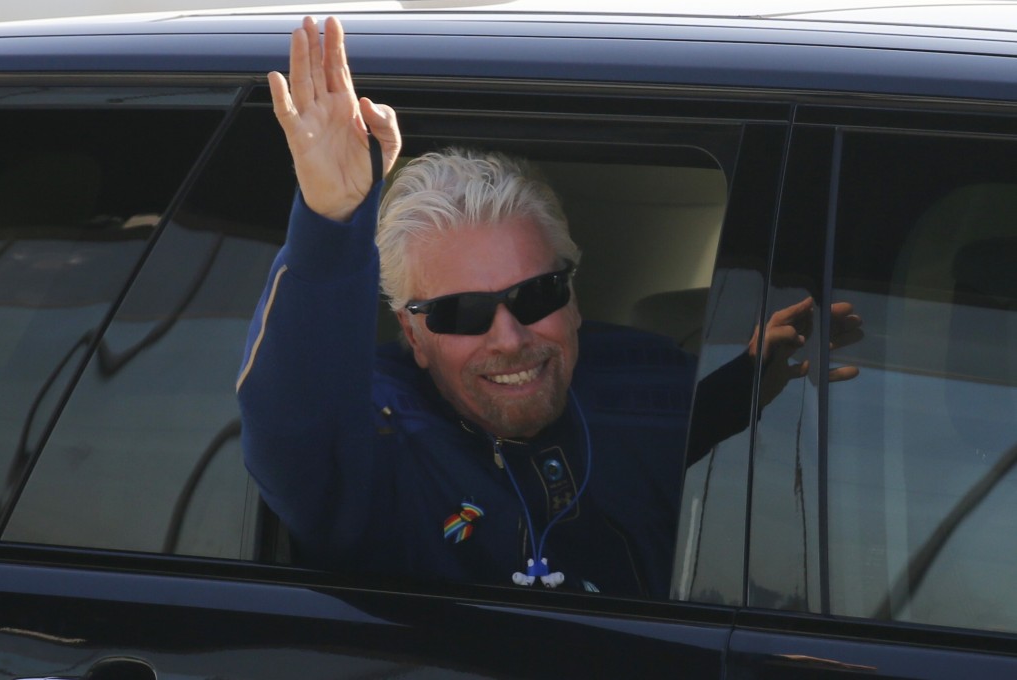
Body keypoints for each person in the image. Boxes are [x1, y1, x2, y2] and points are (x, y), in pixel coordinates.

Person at [237, 16, 860, 597]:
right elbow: (294, 424)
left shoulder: (644, 377)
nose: (509, 338)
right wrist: (331, 221)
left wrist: (756, 378)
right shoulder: (378, 432)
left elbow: (698, 436)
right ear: (413, 334)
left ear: (574, 296)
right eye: (462, 313)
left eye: (536, 295)